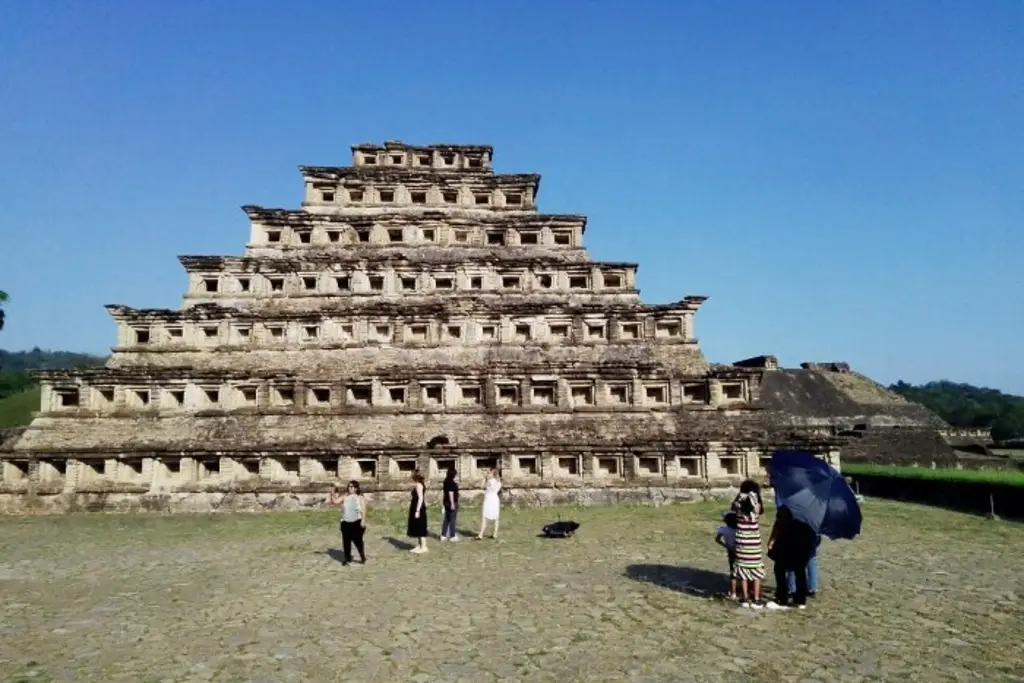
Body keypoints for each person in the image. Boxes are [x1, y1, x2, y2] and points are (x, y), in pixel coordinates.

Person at [766, 504, 817, 610]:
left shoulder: (786, 507)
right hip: (801, 548)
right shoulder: (809, 512)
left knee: (780, 572)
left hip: (786, 547)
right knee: (800, 573)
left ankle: (783, 598)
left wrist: (773, 539)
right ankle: (800, 601)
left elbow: (779, 523)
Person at [731, 488, 765, 609]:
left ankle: (745, 598)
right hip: (754, 546)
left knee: (743, 574)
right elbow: (759, 507)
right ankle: (756, 599)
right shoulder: (755, 512)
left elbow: (733, 506)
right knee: (756, 573)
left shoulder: (739, 512)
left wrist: (740, 498)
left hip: (742, 545)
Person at [329, 481, 367, 565]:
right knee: (346, 541)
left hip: (357, 522)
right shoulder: (344, 497)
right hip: (345, 522)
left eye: (353, 487)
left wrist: (363, 520)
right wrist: (332, 493)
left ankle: (362, 555)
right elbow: (335, 502)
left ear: (356, 488)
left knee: (357, 541)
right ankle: (347, 558)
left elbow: (363, 510)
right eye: (349, 486)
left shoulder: (360, 498)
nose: (351, 488)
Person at [715, 511, 739, 599]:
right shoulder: (739, 530)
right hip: (741, 551)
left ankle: (733, 592)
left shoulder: (723, 529)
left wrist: (726, 545)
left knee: (733, 571)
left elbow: (717, 539)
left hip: (731, 551)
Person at [406, 470, 428, 553]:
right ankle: (419, 545)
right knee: (417, 526)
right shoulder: (420, 484)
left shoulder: (419, 485)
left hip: (418, 508)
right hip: (417, 506)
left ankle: (424, 546)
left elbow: (420, 498)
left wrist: (417, 510)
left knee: (420, 526)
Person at [477, 468, 501, 540]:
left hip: (489, 499)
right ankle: (495, 533)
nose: (488, 474)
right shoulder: (499, 482)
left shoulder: (490, 481)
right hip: (495, 498)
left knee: (485, 516)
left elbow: (482, 486)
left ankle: (481, 534)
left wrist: (484, 478)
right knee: (496, 517)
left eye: (490, 473)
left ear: (493, 474)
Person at [440, 467, 460, 542]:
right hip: (451, 502)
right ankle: (452, 535)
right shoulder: (451, 483)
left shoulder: (446, 481)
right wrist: (452, 504)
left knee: (446, 519)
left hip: (446, 502)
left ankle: (443, 535)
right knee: (452, 519)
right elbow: (450, 493)